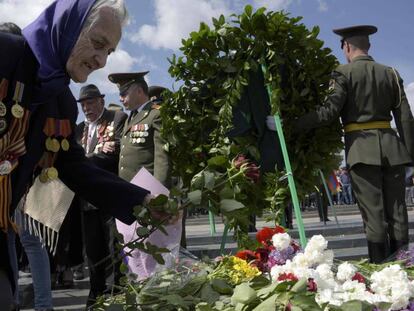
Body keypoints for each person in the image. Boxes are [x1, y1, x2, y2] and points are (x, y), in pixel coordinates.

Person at [0, 1, 171, 308]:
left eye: (110, 51)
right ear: (67, 27)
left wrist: (142, 200)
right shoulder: (4, 54)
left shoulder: (61, 103)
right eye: (98, 44)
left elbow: (73, 167)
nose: (102, 60)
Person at [267, 25, 414, 263]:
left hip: (361, 151)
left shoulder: (343, 73)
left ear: (346, 46)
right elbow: (405, 118)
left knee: (374, 216)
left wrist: (289, 124)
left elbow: (328, 112)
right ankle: (406, 268)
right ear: (369, 46)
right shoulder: (391, 73)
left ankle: (381, 270)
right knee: (398, 214)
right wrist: (409, 156)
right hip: (393, 150)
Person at [109, 73, 181, 279]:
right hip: (129, 193)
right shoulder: (131, 117)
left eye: (125, 93)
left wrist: (159, 195)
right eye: (120, 94)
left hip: (147, 194)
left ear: (140, 91)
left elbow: (162, 157)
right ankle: (142, 286)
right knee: (134, 247)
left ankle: (156, 288)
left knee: (153, 250)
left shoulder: (155, 115)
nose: (121, 98)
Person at [75, 84, 127, 306]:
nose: (87, 108)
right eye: (83, 105)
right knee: (93, 251)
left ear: (101, 102)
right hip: (86, 201)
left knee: (115, 248)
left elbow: (112, 154)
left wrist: (83, 162)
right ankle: (96, 294)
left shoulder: (116, 119)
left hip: (110, 197)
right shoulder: (78, 129)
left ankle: (118, 292)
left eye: (90, 103)